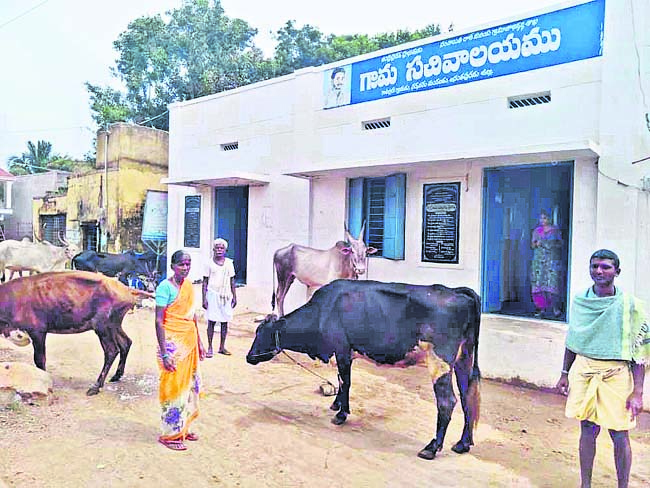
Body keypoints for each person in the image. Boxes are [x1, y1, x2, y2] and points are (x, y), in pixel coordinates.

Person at [556, 249, 649, 488]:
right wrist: (565, 374)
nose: (599, 271)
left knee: (619, 433)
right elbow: (573, 339)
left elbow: (639, 351)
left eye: (606, 267)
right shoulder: (580, 301)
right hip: (585, 370)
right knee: (587, 428)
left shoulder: (631, 306)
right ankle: (585, 484)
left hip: (616, 374)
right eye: (594, 266)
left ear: (617, 272)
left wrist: (638, 391)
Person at [155, 250, 205, 451]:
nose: (185, 268)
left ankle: (183, 427)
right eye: (181, 265)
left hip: (189, 341)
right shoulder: (164, 287)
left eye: (188, 264)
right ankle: (170, 435)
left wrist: (200, 342)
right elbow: (159, 321)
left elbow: (191, 317)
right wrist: (165, 353)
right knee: (174, 388)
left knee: (189, 386)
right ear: (172, 266)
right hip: (172, 345)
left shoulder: (189, 286)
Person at [202, 238, 237, 357]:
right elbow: (205, 282)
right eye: (217, 248)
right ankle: (210, 347)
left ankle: (222, 347)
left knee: (224, 322)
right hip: (212, 294)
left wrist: (234, 296)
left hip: (226, 295)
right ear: (213, 249)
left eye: (221, 248)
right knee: (211, 321)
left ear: (225, 250)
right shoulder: (209, 263)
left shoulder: (229, 263)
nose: (219, 250)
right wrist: (204, 298)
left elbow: (232, 280)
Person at [530, 209, 564, 318]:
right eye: (541, 218)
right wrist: (537, 244)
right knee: (538, 286)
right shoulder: (536, 231)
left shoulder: (555, 231)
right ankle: (541, 309)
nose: (542, 220)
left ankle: (555, 308)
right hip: (539, 261)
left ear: (549, 218)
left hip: (551, 261)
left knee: (552, 284)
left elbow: (560, 244)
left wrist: (552, 244)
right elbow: (532, 245)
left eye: (544, 218)